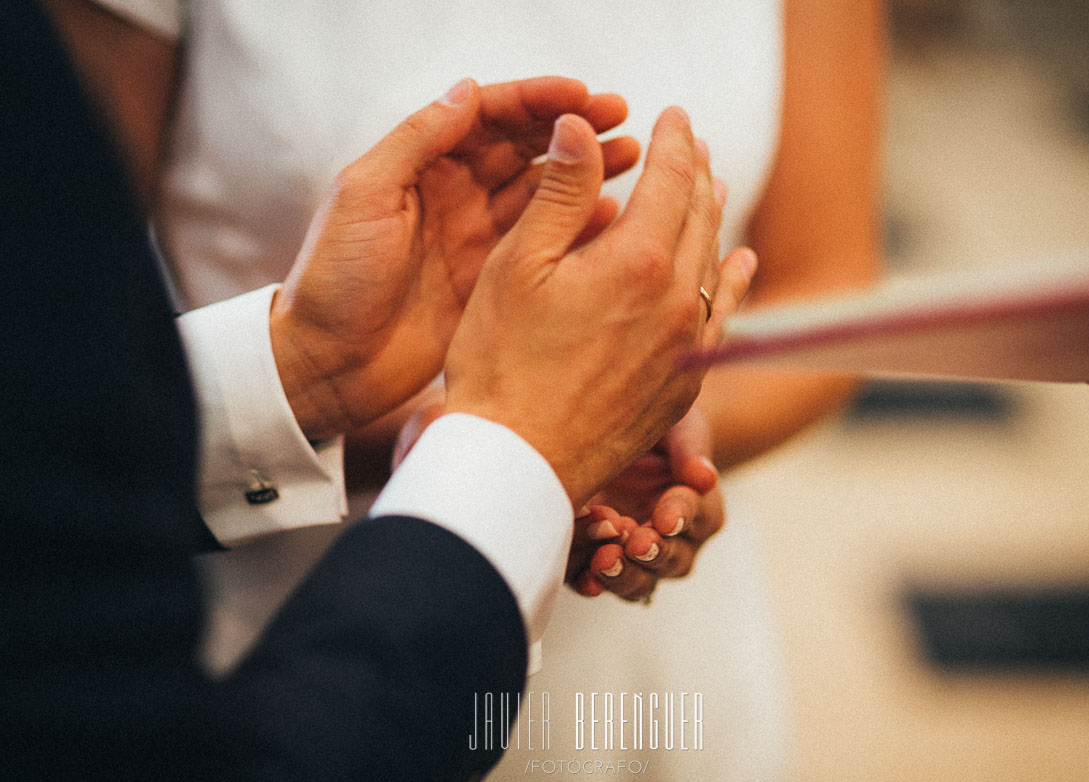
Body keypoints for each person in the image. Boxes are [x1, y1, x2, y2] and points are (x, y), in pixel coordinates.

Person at [69, 0, 882, 777]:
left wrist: (656, 427)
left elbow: (831, 281)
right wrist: (522, 439)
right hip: (293, 632)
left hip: (641, 649)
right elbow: (58, 347)